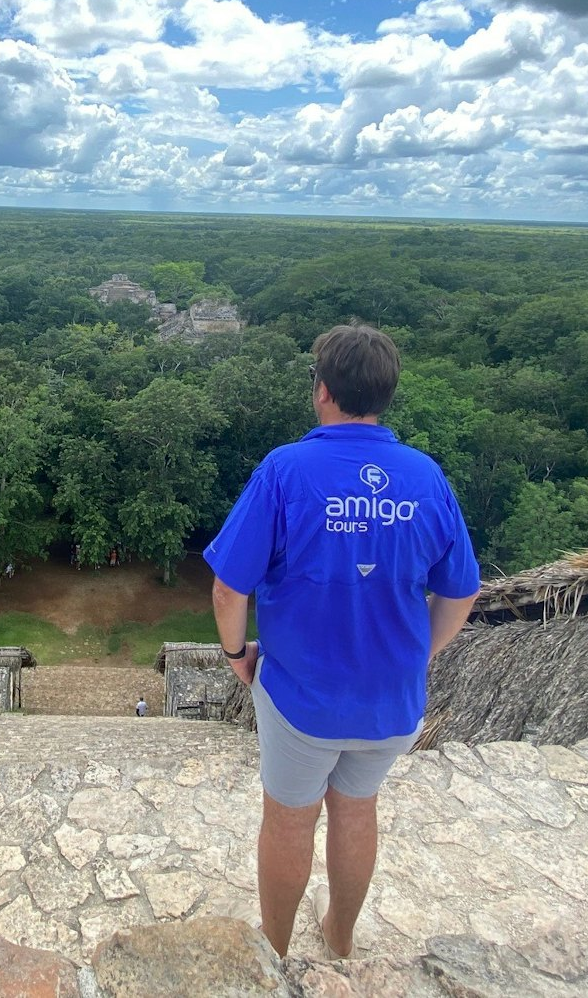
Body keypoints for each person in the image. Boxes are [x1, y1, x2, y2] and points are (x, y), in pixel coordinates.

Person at [207, 324, 479, 960]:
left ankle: (274, 951)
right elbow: (461, 591)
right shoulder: (425, 475)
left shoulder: (286, 470)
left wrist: (235, 654)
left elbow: (228, 590)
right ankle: (340, 942)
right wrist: (419, 657)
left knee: (289, 819)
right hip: (391, 701)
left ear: (322, 390)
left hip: (305, 696)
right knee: (357, 811)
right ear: (384, 395)